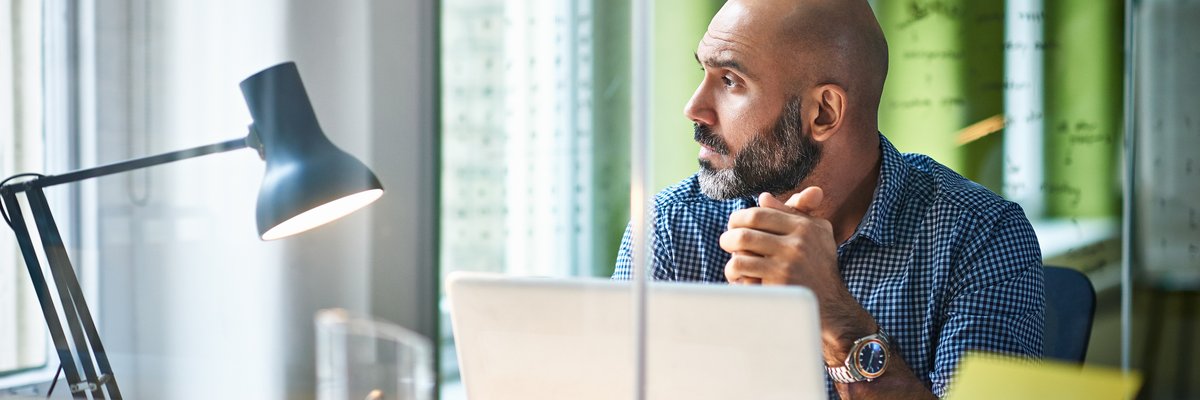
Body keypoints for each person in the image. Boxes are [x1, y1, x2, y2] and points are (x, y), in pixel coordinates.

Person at [611, 0, 1045, 398]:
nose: (695, 107)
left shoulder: (983, 238)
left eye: (730, 81)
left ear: (823, 113)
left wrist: (835, 318)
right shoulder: (669, 230)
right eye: (703, 73)